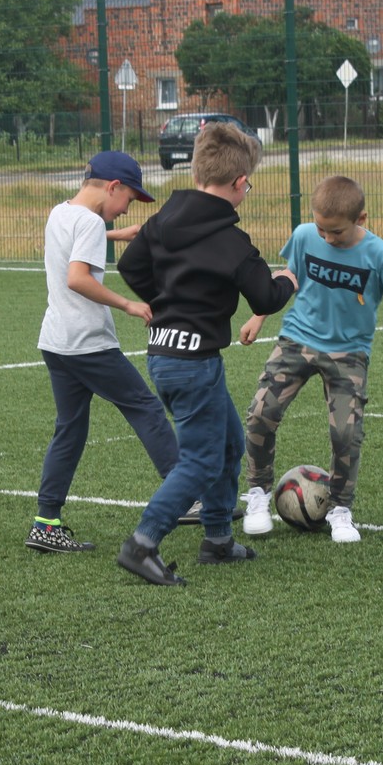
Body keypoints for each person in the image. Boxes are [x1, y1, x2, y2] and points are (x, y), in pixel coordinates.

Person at [115, 122, 298, 585]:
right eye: (248, 185)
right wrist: (289, 281)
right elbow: (265, 298)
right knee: (199, 459)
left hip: (166, 354)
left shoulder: (161, 222)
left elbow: (129, 265)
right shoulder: (231, 241)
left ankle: (217, 540)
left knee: (230, 445)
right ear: (239, 183)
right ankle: (143, 543)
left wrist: (169, 302)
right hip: (194, 364)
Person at [237, 175, 383, 544]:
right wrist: (259, 315)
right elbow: (290, 274)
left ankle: (340, 509)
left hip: (348, 352)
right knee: (261, 412)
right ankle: (258, 494)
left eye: (336, 232)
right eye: (321, 228)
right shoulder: (305, 235)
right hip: (297, 339)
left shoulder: (380, 255)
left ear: (362, 219)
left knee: (346, 431)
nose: (326, 238)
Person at [27, 151, 181, 554]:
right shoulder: (92, 222)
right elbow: (78, 278)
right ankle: (186, 494)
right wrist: (128, 304)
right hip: (87, 343)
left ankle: (45, 524)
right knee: (145, 407)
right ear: (112, 187)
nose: (125, 207)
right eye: (128, 199)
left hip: (56, 342)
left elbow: (71, 242)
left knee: (70, 429)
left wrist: (115, 235)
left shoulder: (61, 212)